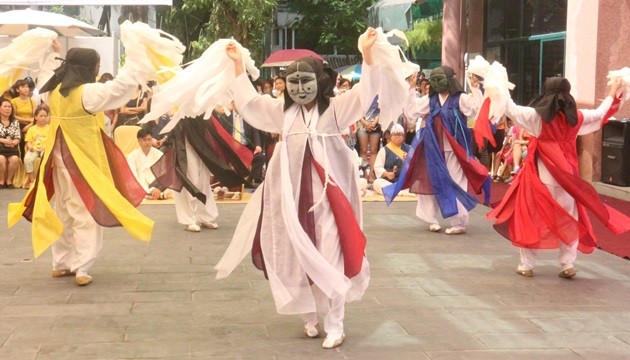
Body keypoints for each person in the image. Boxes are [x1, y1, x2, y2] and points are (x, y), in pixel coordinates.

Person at [216, 27, 407, 349]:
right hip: (291, 200)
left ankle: (336, 324)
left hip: (330, 199)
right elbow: (248, 102)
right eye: (294, 83)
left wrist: (367, 54)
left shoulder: (335, 110)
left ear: (320, 84)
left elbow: (366, 92)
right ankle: (309, 316)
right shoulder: (281, 113)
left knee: (331, 252)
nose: (300, 89)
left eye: (307, 83)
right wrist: (237, 66)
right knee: (295, 256)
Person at [8, 38, 155, 286]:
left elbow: (46, 71)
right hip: (81, 162)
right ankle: (82, 267)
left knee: (64, 210)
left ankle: (61, 263)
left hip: (57, 161)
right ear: (89, 69)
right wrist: (135, 56)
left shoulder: (51, 89)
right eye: (96, 66)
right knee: (85, 212)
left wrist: (54, 52)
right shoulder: (88, 93)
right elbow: (120, 88)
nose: (98, 71)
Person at [488, 77, 630, 278]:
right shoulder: (577, 118)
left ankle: (526, 264)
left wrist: (499, 82)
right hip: (567, 180)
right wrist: (613, 91)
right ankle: (566, 264)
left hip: (539, 179)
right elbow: (600, 113)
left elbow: (510, 108)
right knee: (570, 219)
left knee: (530, 217)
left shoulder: (536, 117)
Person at [383, 66, 487, 235]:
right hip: (432, 147)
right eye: (435, 80)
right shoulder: (430, 100)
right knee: (428, 181)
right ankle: (430, 218)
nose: (437, 83)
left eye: (441, 79)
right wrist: (410, 88)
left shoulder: (459, 98)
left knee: (456, 181)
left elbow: (478, 112)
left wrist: (475, 88)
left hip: (455, 149)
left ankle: (459, 222)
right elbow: (411, 112)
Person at [126, 128, 168, 200]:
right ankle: (149, 193)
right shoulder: (131, 157)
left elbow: (165, 174)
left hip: (157, 185)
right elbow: (133, 177)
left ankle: (155, 193)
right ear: (139, 141)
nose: (147, 142)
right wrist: (147, 190)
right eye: (144, 140)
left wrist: (158, 188)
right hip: (140, 185)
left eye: (149, 139)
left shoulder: (159, 154)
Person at [372, 124, 411, 195]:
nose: (397, 136)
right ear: (390, 136)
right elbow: (377, 167)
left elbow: (416, 166)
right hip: (389, 181)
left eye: (399, 134)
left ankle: (394, 192)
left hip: (404, 181)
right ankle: (400, 192)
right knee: (377, 183)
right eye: (394, 134)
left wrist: (408, 159)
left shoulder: (409, 149)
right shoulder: (384, 150)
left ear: (403, 137)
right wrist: (386, 174)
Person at [22, 104, 50, 188]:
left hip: (45, 148)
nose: (43, 118)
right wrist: (30, 147)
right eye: (41, 116)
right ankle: (32, 179)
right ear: (36, 117)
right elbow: (28, 141)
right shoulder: (32, 129)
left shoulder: (50, 128)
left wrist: (45, 148)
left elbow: (53, 141)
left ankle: (44, 180)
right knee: (27, 159)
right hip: (34, 149)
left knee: (46, 157)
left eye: (45, 116)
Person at [0, 98, 20, 188]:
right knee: (1, 159)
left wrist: (13, 142)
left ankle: (9, 180)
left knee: (15, 159)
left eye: (9, 107)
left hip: (12, 148)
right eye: (5, 106)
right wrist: (3, 140)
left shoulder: (15, 122)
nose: (8, 109)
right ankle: (1, 180)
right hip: (0, 147)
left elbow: (18, 136)